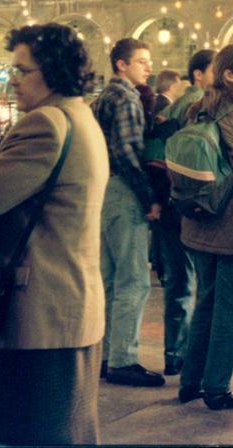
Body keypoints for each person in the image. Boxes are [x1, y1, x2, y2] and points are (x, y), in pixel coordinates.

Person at [0, 24, 108, 445]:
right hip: (70, 306)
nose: (13, 80)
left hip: (38, 312)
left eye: (22, 71)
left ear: (53, 71)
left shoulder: (46, 124)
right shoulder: (81, 116)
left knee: (26, 432)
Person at [175, 45, 233, 411]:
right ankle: (216, 387)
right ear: (230, 75)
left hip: (199, 222)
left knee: (207, 304)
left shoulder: (199, 107)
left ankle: (191, 381)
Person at [94, 37, 164, 386]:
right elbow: (127, 152)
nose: (148, 67)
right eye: (141, 61)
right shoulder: (126, 98)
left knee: (109, 278)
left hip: (102, 189)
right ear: (121, 64)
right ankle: (124, 359)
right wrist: (148, 197)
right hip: (123, 190)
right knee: (134, 279)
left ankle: (106, 355)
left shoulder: (103, 97)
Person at [143, 59, 205, 377]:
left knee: (179, 283)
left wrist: (156, 199)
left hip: (170, 208)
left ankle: (176, 353)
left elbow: (153, 160)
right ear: (200, 74)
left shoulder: (168, 114)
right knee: (197, 283)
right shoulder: (201, 109)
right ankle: (190, 356)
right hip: (194, 209)